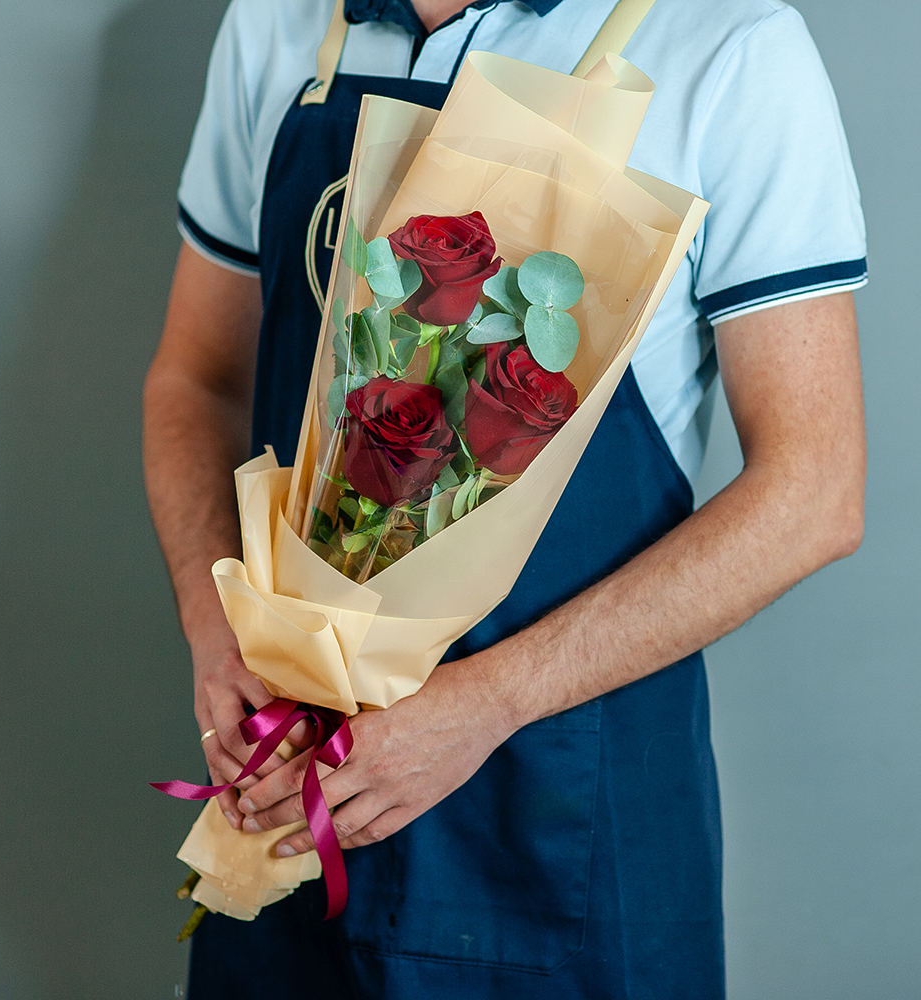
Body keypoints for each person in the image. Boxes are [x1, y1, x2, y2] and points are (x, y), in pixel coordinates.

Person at [143, 0, 867, 995]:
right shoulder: (278, 22)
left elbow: (814, 491)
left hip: (554, 823)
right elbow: (197, 379)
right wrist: (212, 621)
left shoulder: (730, 49)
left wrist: (490, 702)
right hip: (286, 802)